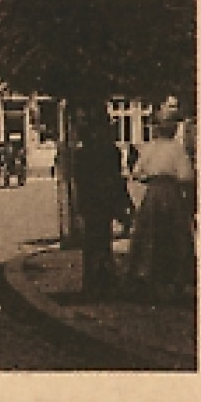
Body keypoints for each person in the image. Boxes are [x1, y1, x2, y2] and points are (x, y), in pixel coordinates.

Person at [125, 117, 196, 302]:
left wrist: (148, 178)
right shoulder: (177, 150)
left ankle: (147, 276)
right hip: (170, 193)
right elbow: (187, 175)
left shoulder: (149, 148)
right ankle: (173, 277)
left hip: (153, 193)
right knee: (174, 234)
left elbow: (137, 172)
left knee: (150, 234)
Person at [72, 108, 127, 299]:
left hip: (93, 202)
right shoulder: (111, 151)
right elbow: (116, 179)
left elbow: (80, 181)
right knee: (102, 240)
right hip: (103, 200)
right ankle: (103, 281)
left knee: (93, 242)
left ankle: (93, 283)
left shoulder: (82, 153)